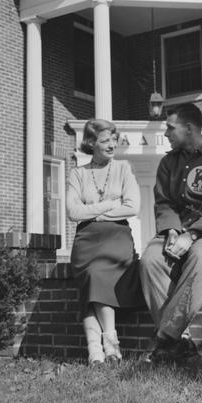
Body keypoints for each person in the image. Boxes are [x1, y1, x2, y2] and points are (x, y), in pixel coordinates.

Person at [139, 103, 202, 363]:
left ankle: (164, 338)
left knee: (199, 256)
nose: (166, 134)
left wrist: (191, 235)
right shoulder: (167, 163)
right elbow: (164, 203)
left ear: (189, 128)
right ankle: (180, 342)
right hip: (177, 230)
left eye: (170, 128)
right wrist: (172, 230)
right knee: (150, 260)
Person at [67, 118, 141, 366]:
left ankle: (107, 346)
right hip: (86, 241)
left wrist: (94, 210)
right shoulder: (78, 174)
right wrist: (110, 205)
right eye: (105, 140)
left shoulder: (123, 169)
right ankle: (99, 351)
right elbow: (73, 212)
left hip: (117, 239)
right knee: (90, 277)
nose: (112, 145)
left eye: (114, 139)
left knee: (98, 274)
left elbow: (132, 207)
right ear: (91, 143)